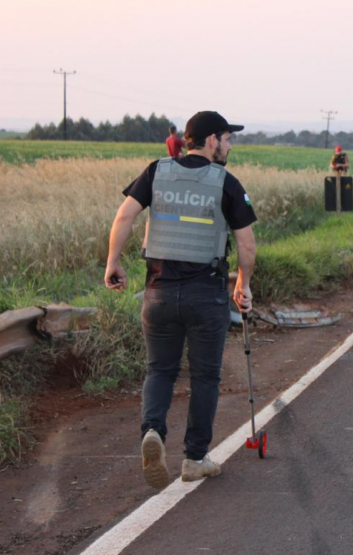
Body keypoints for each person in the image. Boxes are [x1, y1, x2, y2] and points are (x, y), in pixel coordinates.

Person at [104, 111, 257, 489]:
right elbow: (247, 243)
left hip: (157, 293)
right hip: (205, 296)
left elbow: (124, 217)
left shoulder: (156, 172)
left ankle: (153, 431)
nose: (230, 145)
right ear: (210, 141)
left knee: (160, 370)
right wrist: (244, 285)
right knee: (205, 376)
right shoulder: (226, 182)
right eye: (227, 138)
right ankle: (194, 458)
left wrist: (113, 263)